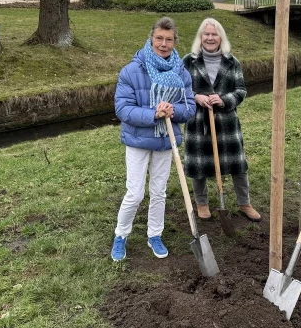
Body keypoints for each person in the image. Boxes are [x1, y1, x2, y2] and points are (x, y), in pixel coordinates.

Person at [111, 17, 195, 262]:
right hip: (137, 140)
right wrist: (153, 114)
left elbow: (189, 108)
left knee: (159, 192)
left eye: (169, 39)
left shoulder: (181, 72)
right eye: (159, 38)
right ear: (151, 38)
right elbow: (123, 110)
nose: (163, 44)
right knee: (135, 193)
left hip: (164, 141)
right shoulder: (132, 70)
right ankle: (121, 235)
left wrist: (173, 111)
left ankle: (154, 235)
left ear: (174, 42)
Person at [182, 18, 261, 222]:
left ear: (220, 37)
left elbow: (241, 90)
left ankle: (244, 203)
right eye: (206, 34)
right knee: (198, 164)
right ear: (201, 37)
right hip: (198, 122)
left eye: (214, 34)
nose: (210, 38)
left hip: (227, 123)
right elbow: (179, 90)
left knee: (238, 164)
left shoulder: (232, 62)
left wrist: (224, 99)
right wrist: (196, 97)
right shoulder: (187, 61)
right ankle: (202, 203)